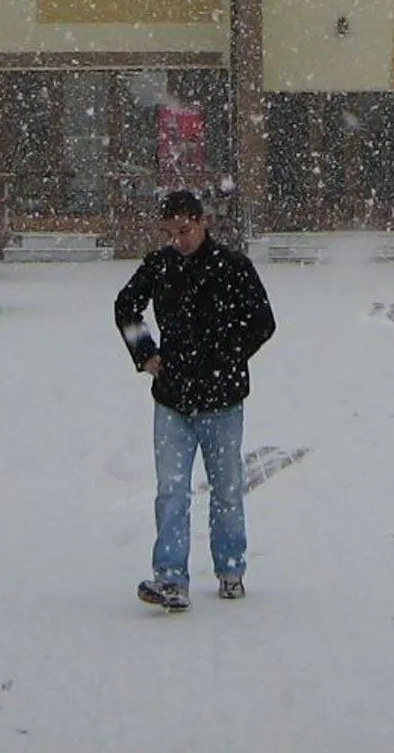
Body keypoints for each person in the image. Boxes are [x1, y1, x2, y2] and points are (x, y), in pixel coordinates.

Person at [114, 188, 276, 611]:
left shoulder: (233, 267)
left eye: (184, 230)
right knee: (171, 491)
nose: (178, 240)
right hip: (172, 401)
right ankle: (170, 576)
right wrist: (145, 352)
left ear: (203, 222)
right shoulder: (160, 266)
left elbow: (262, 321)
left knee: (226, 488)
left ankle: (230, 568)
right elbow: (126, 307)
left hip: (223, 402)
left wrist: (227, 357)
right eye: (169, 232)